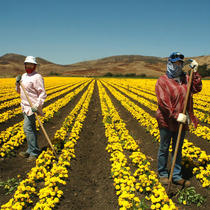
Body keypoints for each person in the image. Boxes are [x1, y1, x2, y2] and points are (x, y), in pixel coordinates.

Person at [155, 52, 202, 186]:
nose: (177, 66)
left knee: (178, 147)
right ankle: (163, 174)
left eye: (180, 63)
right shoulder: (162, 81)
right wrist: (176, 116)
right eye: (175, 63)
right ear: (169, 63)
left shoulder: (186, 78)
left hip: (181, 121)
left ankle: (176, 175)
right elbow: (163, 103)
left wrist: (195, 73)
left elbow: (197, 88)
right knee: (164, 147)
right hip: (167, 120)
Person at [16, 56, 47, 162]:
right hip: (24, 106)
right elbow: (19, 91)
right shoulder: (24, 76)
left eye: (31, 65)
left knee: (27, 128)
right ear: (24, 65)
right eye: (27, 64)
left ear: (34, 66)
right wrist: (17, 83)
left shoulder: (37, 77)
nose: (29, 66)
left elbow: (42, 94)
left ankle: (33, 152)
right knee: (31, 129)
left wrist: (36, 106)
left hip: (32, 107)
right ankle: (31, 149)